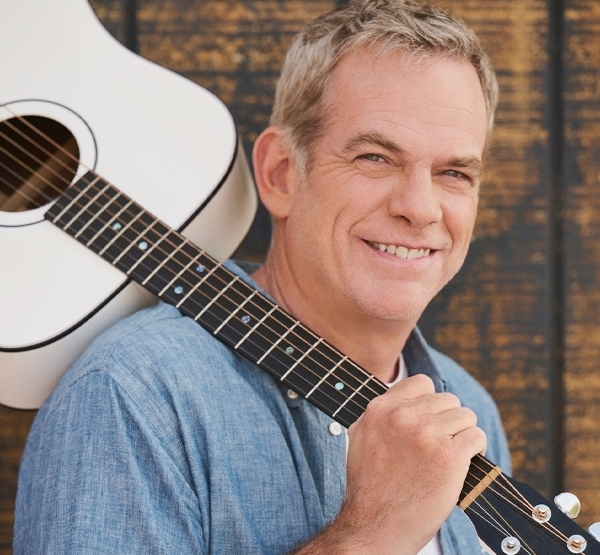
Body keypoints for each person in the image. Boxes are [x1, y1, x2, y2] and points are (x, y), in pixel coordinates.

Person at [14, 0, 511, 553]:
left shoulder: (469, 413)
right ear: (281, 175)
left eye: (454, 173)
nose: (419, 208)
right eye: (375, 158)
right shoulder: (136, 394)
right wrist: (372, 532)